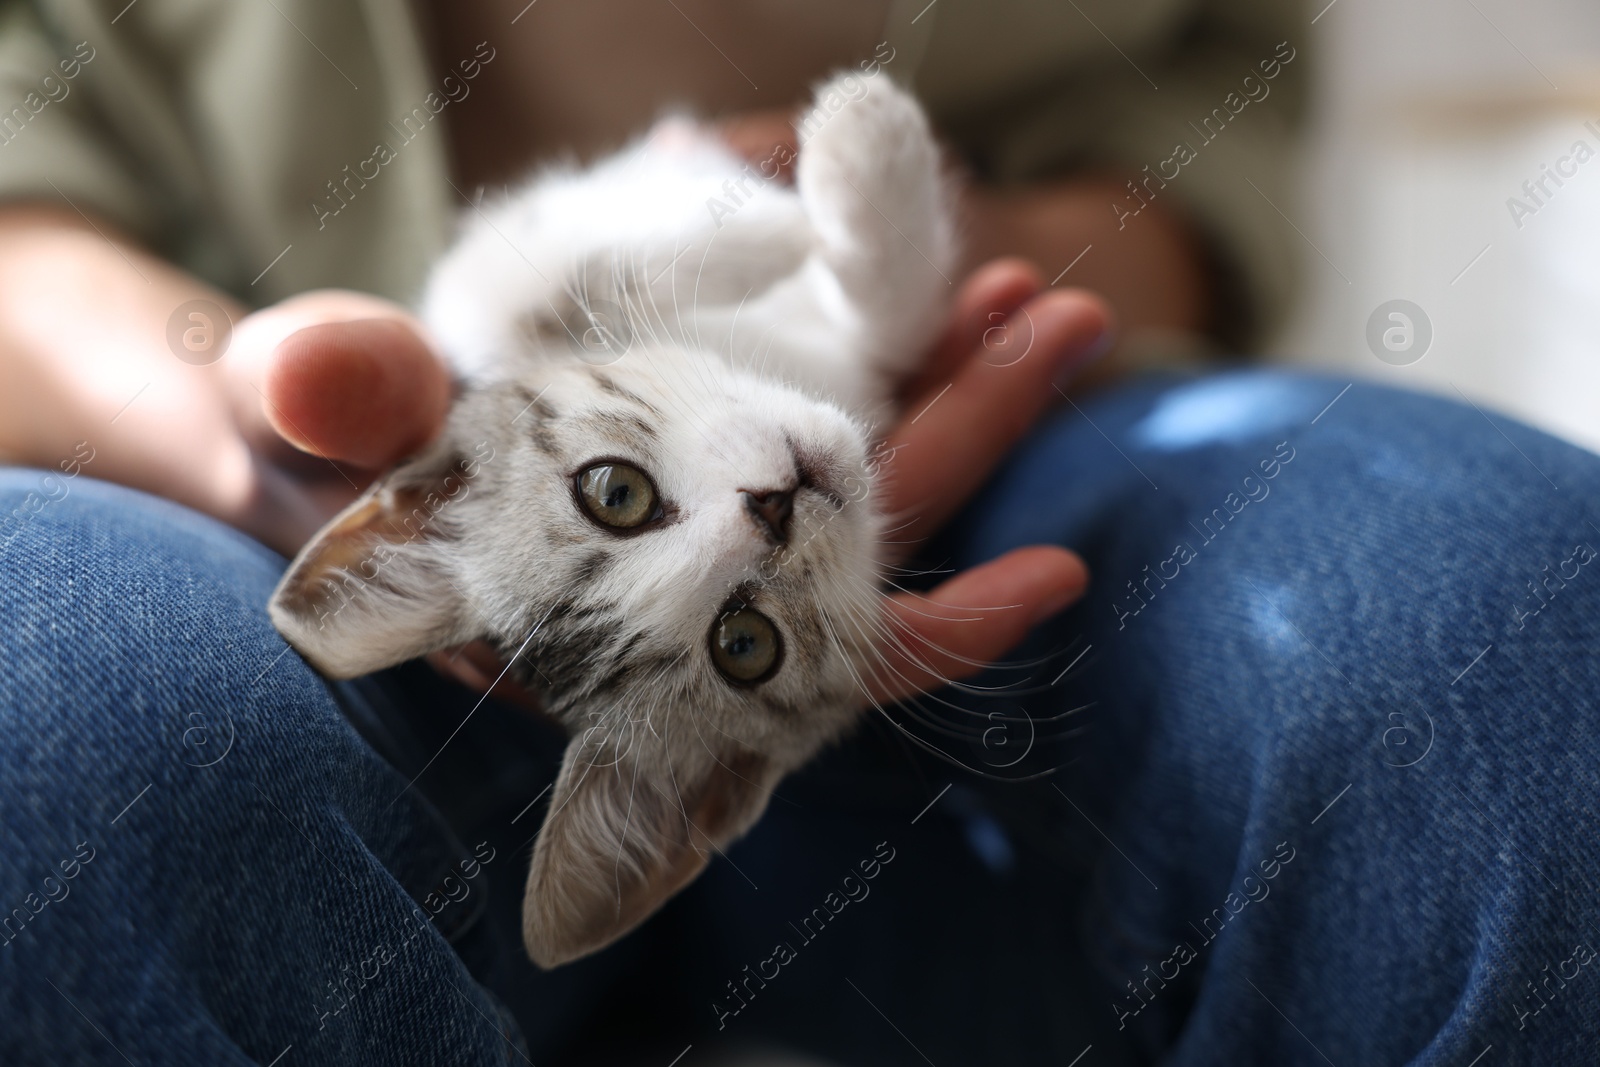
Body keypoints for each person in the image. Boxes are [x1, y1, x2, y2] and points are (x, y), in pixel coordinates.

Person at [1, 2, 1597, 1064]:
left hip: (1024, 393)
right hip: (179, 440)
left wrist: (986, 264)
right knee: (59, 731)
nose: (758, 518)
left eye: (629, 506)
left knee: (1504, 641)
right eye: (742, 613)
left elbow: (1220, 97)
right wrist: (235, 418)